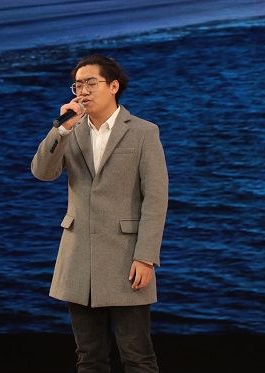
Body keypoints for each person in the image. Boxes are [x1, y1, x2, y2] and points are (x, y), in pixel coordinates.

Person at [31, 53, 169, 372]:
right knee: (89, 359)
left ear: (114, 86)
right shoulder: (71, 131)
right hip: (79, 260)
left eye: (91, 83)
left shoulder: (144, 132)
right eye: (78, 85)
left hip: (127, 261)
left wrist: (146, 257)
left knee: (137, 358)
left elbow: (155, 198)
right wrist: (61, 129)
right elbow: (42, 172)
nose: (83, 91)